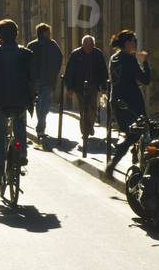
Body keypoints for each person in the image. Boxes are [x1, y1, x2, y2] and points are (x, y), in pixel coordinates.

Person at [0, 19, 37, 186]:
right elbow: (32, 77)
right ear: (16, 34)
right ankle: (21, 154)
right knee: (20, 124)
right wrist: (32, 96)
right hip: (20, 99)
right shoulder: (27, 53)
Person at [105, 30, 151, 175]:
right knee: (137, 133)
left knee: (131, 133)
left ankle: (130, 163)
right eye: (134, 41)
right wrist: (145, 62)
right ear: (127, 43)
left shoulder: (114, 57)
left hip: (116, 100)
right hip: (132, 102)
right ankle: (116, 164)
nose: (136, 44)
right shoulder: (129, 59)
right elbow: (145, 79)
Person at [64, 35, 108, 139]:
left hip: (93, 86)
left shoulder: (98, 54)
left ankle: (90, 126)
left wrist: (104, 87)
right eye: (86, 44)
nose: (88, 47)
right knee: (83, 109)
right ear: (82, 44)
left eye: (90, 45)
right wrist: (70, 88)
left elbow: (103, 71)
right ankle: (85, 132)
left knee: (92, 109)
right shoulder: (76, 54)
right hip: (79, 87)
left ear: (93, 45)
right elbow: (69, 72)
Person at [27, 23, 63, 140]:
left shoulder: (52, 45)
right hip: (40, 80)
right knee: (42, 104)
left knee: (44, 105)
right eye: (48, 32)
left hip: (45, 80)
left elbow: (59, 59)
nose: (49, 34)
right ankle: (41, 127)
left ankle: (41, 125)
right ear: (43, 33)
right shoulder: (33, 45)